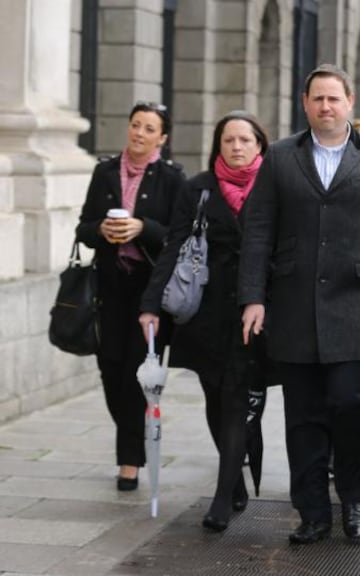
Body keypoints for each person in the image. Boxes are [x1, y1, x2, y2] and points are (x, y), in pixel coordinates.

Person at [238, 64, 360, 545]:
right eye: (318, 99)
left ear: (350, 101)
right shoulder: (280, 156)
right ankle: (311, 510)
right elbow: (258, 232)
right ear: (305, 103)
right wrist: (252, 297)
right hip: (294, 306)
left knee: (354, 405)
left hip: (358, 305)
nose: (326, 107)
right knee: (304, 415)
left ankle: (355, 500)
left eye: (334, 99)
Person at [138, 110, 270, 531]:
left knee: (235, 399)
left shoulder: (275, 186)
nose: (236, 147)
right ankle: (234, 483)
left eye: (244, 140)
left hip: (254, 313)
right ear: (218, 145)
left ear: (259, 145)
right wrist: (151, 304)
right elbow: (174, 246)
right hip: (205, 313)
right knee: (215, 399)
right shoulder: (197, 189)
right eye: (228, 140)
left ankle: (221, 496)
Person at [75, 101, 185, 492]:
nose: (139, 133)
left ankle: (129, 460)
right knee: (109, 369)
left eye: (149, 128)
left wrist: (144, 227)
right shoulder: (104, 171)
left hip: (149, 291)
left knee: (136, 377)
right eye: (135, 125)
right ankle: (133, 440)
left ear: (162, 138)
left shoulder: (172, 178)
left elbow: (178, 235)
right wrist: (101, 230)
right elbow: (83, 227)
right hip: (108, 289)